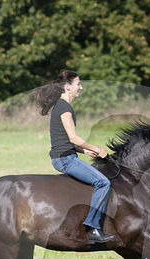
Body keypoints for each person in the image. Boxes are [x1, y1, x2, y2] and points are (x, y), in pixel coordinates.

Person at [34, 70, 115, 244]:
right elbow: (73, 138)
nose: (81, 87)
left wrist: (85, 151)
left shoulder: (61, 106)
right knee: (103, 182)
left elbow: (65, 140)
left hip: (65, 156)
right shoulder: (64, 108)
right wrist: (98, 149)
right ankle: (93, 228)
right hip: (65, 159)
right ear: (67, 86)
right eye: (78, 84)